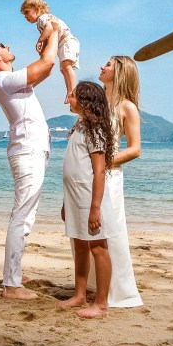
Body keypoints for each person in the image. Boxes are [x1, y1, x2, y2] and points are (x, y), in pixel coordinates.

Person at [0, 35, 58, 300]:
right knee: (22, 215)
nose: (9, 46)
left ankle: (14, 274)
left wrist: (47, 44)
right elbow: (46, 63)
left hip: (31, 149)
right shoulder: (4, 80)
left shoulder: (10, 81)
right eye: (3, 46)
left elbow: (47, 66)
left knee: (26, 215)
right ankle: (12, 285)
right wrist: (53, 30)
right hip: (27, 150)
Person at [57, 81, 116, 319]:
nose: (67, 99)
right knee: (79, 245)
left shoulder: (95, 130)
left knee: (98, 247)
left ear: (84, 101)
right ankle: (79, 294)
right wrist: (65, 202)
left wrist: (95, 208)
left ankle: (101, 303)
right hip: (74, 197)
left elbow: (99, 171)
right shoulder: (79, 126)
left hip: (89, 198)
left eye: (71, 95)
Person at [99, 55, 144, 308]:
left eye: (107, 64)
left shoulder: (127, 107)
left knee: (111, 231)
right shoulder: (95, 100)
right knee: (88, 231)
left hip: (109, 175)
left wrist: (103, 163)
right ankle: (97, 286)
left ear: (119, 72)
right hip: (87, 175)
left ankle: (119, 291)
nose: (102, 67)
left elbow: (135, 149)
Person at [20, 0, 80, 104]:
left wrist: (40, 40)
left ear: (37, 10)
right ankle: (69, 91)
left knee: (66, 67)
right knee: (64, 68)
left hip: (66, 41)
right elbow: (50, 37)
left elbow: (49, 28)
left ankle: (72, 91)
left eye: (27, 12)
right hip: (64, 42)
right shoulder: (43, 19)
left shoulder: (43, 18)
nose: (25, 16)